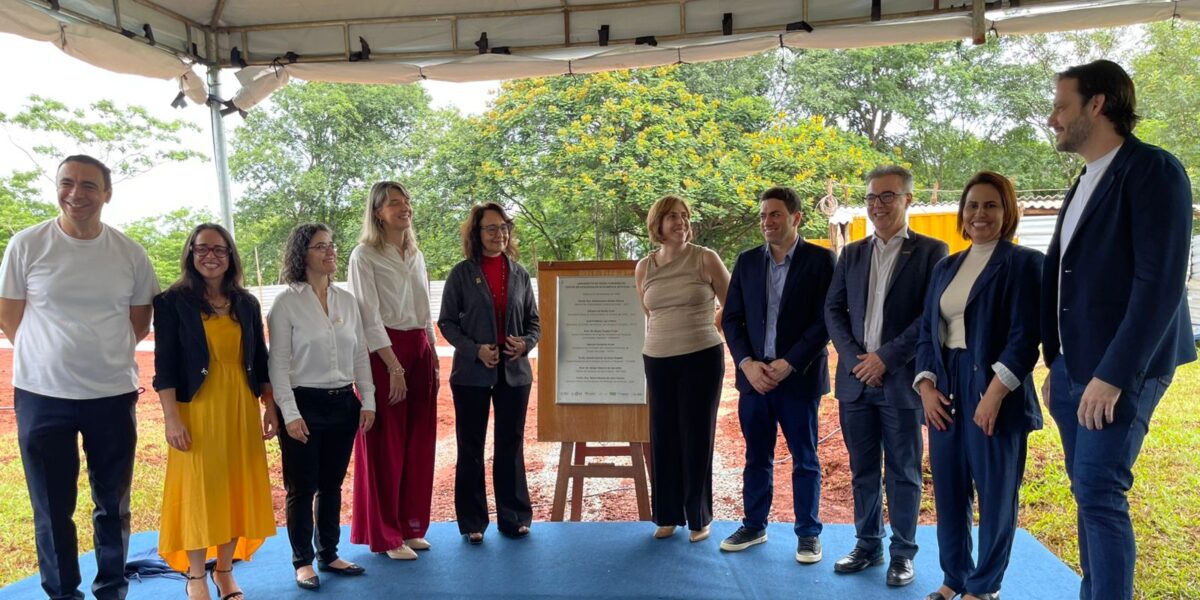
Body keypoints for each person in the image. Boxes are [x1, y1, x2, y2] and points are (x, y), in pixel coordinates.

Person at [1041, 60, 1195, 600]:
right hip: (1072, 369)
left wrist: (1113, 375)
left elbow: (1160, 284)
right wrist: (1055, 362)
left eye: (1062, 105)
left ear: (1098, 105)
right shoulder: (1085, 179)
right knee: (1087, 491)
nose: (1052, 117)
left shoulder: (1153, 170)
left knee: (1101, 491)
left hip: (1119, 371)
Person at [0, 155, 158, 600]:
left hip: (111, 395)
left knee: (113, 505)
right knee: (51, 508)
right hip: (41, 395)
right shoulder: (27, 244)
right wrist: (51, 357)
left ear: (107, 193)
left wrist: (98, 357)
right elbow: (10, 316)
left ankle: (111, 588)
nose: (76, 193)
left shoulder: (129, 253)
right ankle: (63, 593)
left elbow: (139, 321)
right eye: (66, 183)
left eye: (89, 185)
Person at [914, 172, 1043, 600]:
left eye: (990, 205)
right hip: (946, 384)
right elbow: (928, 332)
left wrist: (993, 395)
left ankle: (984, 588)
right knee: (949, 491)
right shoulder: (946, 266)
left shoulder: (1025, 263)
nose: (979, 214)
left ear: (1007, 212)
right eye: (972, 205)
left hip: (995, 388)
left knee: (995, 494)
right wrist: (926, 386)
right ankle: (954, 579)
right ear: (961, 213)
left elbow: (1026, 338)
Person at [823, 165, 947, 588]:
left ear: (908, 200)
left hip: (901, 382)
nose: (878, 205)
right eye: (872, 197)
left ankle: (903, 553)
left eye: (887, 196)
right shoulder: (852, 253)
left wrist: (885, 359)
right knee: (861, 470)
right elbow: (832, 310)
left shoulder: (933, 252)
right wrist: (857, 358)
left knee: (904, 471)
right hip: (855, 382)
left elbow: (929, 317)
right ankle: (867, 544)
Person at [154, 223, 278, 600]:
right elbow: (166, 364)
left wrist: (269, 405)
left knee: (233, 490)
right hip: (198, 409)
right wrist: (172, 417)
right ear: (191, 253)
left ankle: (224, 573)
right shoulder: (172, 302)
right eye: (202, 248)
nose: (211, 256)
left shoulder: (246, 302)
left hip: (239, 405)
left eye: (220, 249)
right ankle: (195, 576)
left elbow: (260, 358)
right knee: (198, 492)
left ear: (230, 256)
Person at [720, 187, 834, 562]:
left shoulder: (821, 261)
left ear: (796, 218)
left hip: (797, 378)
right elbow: (732, 319)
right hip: (754, 379)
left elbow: (827, 320)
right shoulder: (748, 261)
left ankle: (808, 533)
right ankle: (754, 525)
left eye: (776, 215)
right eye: (763, 216)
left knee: (805, 457)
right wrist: (747, 363)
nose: (767, 222)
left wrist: (790, 362)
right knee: (757, 456)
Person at [268, 224, 377, 590]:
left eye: (332, 246)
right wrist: (290, 412)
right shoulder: (286, 303)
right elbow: (278, 364)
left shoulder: (347, 301)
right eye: (320, 247)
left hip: (344, 403)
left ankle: (328, 553)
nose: (330, 252)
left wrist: (368, 399)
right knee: (301, 487)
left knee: (331, 485)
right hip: (304, 404)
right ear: (302, 254)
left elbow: (360, 353)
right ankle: (302, 561)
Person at [438, 203, 540, 544]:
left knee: (510, 446)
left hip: (515, 375)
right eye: (491, 228)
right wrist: (475, 349)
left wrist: (524, 344)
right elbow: (447, 323)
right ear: (477, 234)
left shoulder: (520, 274)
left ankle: (513, 518)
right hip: (471, 375)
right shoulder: (461, 274)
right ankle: (472, 523)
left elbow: (534, 324)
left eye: (504, 227)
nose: (500, 234)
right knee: (471, 447)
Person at [348, 181, 439, 561]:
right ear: (377, 212)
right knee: (385, 445)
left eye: (407, 201)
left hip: (418, 346)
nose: (405, 208)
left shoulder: (415, 253)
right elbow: (366, 314)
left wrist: (432, 350)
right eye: (395, 203)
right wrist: (394, 366)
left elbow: (423, 307)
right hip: (383, 354)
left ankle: (409, 525)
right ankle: (385, 535)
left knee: (419, 441)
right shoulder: (363, 255)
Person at [635, 194, 730, 543]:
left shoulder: (705, 258)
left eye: (685, 216)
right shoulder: (644, 267)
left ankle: (698, 518)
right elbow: (650, 312)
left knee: (696, 434)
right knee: (662, 436)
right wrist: (669, 335)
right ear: (657, 224)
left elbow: (731, 303)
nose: (681, 222)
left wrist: (704, 326)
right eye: (672, 216)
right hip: (656, 359)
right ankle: (667, 515)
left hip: (701, 356)